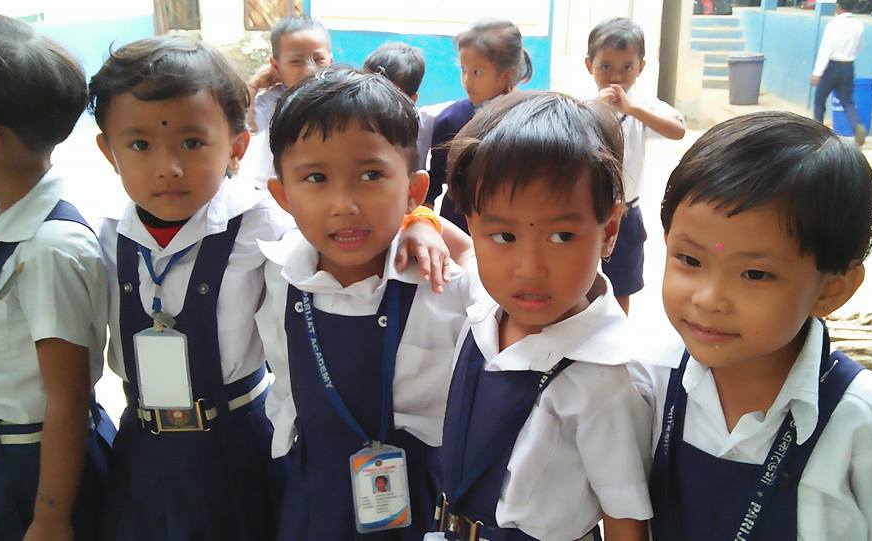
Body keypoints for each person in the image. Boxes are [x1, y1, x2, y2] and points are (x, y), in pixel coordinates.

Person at [646, 111, 872, 540]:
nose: (709, 298)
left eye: (755, 274)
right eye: (689, 260)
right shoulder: (647, 382)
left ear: (832, 290)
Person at [255, 66, 480, 540]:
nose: (344, 203)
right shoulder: (276, 275)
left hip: (420, 501)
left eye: (371, 175)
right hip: (317, 497)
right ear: (282, 196)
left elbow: (490, 258)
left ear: (414, 189)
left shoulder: (441, 280)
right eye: (315, 177)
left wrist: (427, 222)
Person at [88, 35, 296, 541]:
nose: (168, 167)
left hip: (238, 442)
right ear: (108, 152)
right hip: (145, 446)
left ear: (237, 147)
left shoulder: (262, 225)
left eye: (192, 142)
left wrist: (424, 221)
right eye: (139, 145)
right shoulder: (109, 233)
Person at [429, 91, 653, 541]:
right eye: (504, 235)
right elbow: (463, 249)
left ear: (609, 230)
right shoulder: (483, 307)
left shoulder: (607, 379)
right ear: (474, 223)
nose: (529, 269)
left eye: (562, 236)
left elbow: (625, 518)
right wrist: (421, 219)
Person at [0, 13, 114, 541]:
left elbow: (67, 400)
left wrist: (50, 519)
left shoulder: (48, 249)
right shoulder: (7, 217)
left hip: (37, 467)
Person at [585, 17, 685, 315]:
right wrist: (597, 109)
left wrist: (633, 109)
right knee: (581, 278)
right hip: (587, 209)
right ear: (590, 65)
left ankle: (618, 336)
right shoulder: (584, 104)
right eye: (606, 67)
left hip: (626, 211)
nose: (616, 76)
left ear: (640, 67)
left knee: (622, 283)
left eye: (627, 67)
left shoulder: (642, 105)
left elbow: (677, 130)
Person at [427, 18, 533, 233]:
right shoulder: (450, 119)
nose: (467, 80)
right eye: (463, 69)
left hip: (508, 224)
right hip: (457, 223)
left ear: (507, 74)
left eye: (477, 72)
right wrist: (425, 219)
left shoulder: (528, 118)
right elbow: (436, 175)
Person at [240, 15, 333, 189]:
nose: (310, 69)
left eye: (319, 59)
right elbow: (247, 124)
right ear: (276, 67)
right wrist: (253, 86)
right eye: (296, 61)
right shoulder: (274, 100)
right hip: (270, 190)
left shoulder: (337, 100)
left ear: (331, 61)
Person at [363, 42, 435, 171]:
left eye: (389, 100)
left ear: (412, 100)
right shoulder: (354, 121)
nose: (377, 104)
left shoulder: (424, 126)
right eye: (368, 92)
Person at [811, 0, 868, 146]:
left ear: (838, 6)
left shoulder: (833, 25)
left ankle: (816, 133)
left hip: (832, 66)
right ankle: (857, 126)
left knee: (819, 99)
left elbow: (826, 50)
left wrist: (817, 72)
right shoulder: (858, 24)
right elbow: (861, 46)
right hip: (848, 66)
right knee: (847, 101)